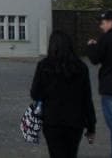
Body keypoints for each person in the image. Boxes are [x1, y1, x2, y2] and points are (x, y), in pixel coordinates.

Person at [30, 30, 96, 158]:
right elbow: (87, 98)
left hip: (52, 119)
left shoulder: (44, 66)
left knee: (55, 153)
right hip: (75, 120)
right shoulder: (80, 67)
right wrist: (91, 126)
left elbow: (35, 94)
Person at [87, 10, 112, 158]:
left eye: (103, 22)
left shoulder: (105, 39)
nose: (100, 26)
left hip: (110, 88)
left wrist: (91, 46)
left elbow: (95, 59)